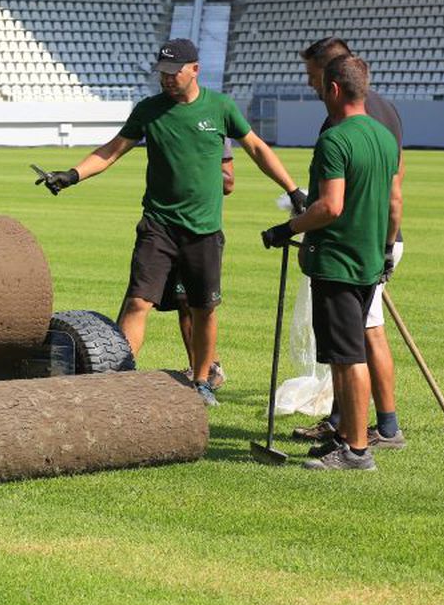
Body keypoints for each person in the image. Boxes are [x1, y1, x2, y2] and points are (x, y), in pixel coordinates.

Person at [38, 39, 306, 406]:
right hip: (158, 226)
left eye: (172, 72)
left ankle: (201, 381)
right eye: (161, 73)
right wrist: (71, 175)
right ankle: (117, 379)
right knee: (137, 302)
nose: (165, 79)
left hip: (204, 231)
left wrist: (292, 190)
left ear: (194, 69)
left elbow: (257, 148)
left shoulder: (221, 108)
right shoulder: (149, 110)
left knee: (203, 308)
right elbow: (111, 151)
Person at [262, 54, 401, 470]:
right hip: (368, 259)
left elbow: (330, 206)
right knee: (347, 350)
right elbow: (395, 204)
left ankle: (356, 449)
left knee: (346, 356)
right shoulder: (384, 137)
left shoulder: (335, 139)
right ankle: (344, 436)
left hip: (336, 260)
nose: (318, 93)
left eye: (320, 86)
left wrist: (285, 230)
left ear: (335, 89)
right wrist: (387, 250)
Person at [159, 140, 235, 389]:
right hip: (171, 228)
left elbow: (228, 183)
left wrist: (196, 167)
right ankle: (199, 368)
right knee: (182, 303)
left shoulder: (215, 130)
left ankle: (210, 369)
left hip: (201, 231)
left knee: (201, 305)